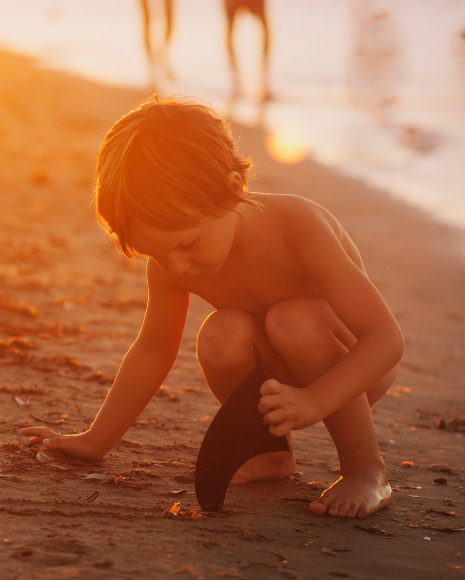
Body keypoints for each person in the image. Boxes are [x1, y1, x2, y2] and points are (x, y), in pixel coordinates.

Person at [22, 97, 403, 519]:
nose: (178, 267)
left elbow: (385, 340)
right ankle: (272, 451)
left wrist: (315, 399)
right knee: (221, 334)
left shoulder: (298, 227)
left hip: (354, 368)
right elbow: (153, 351)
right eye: (160, 256)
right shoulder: (173, 262)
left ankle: (366, 468)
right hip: (282, 377)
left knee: (293, 319)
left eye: (186, 244)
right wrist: (97, 440)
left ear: (233, 188)